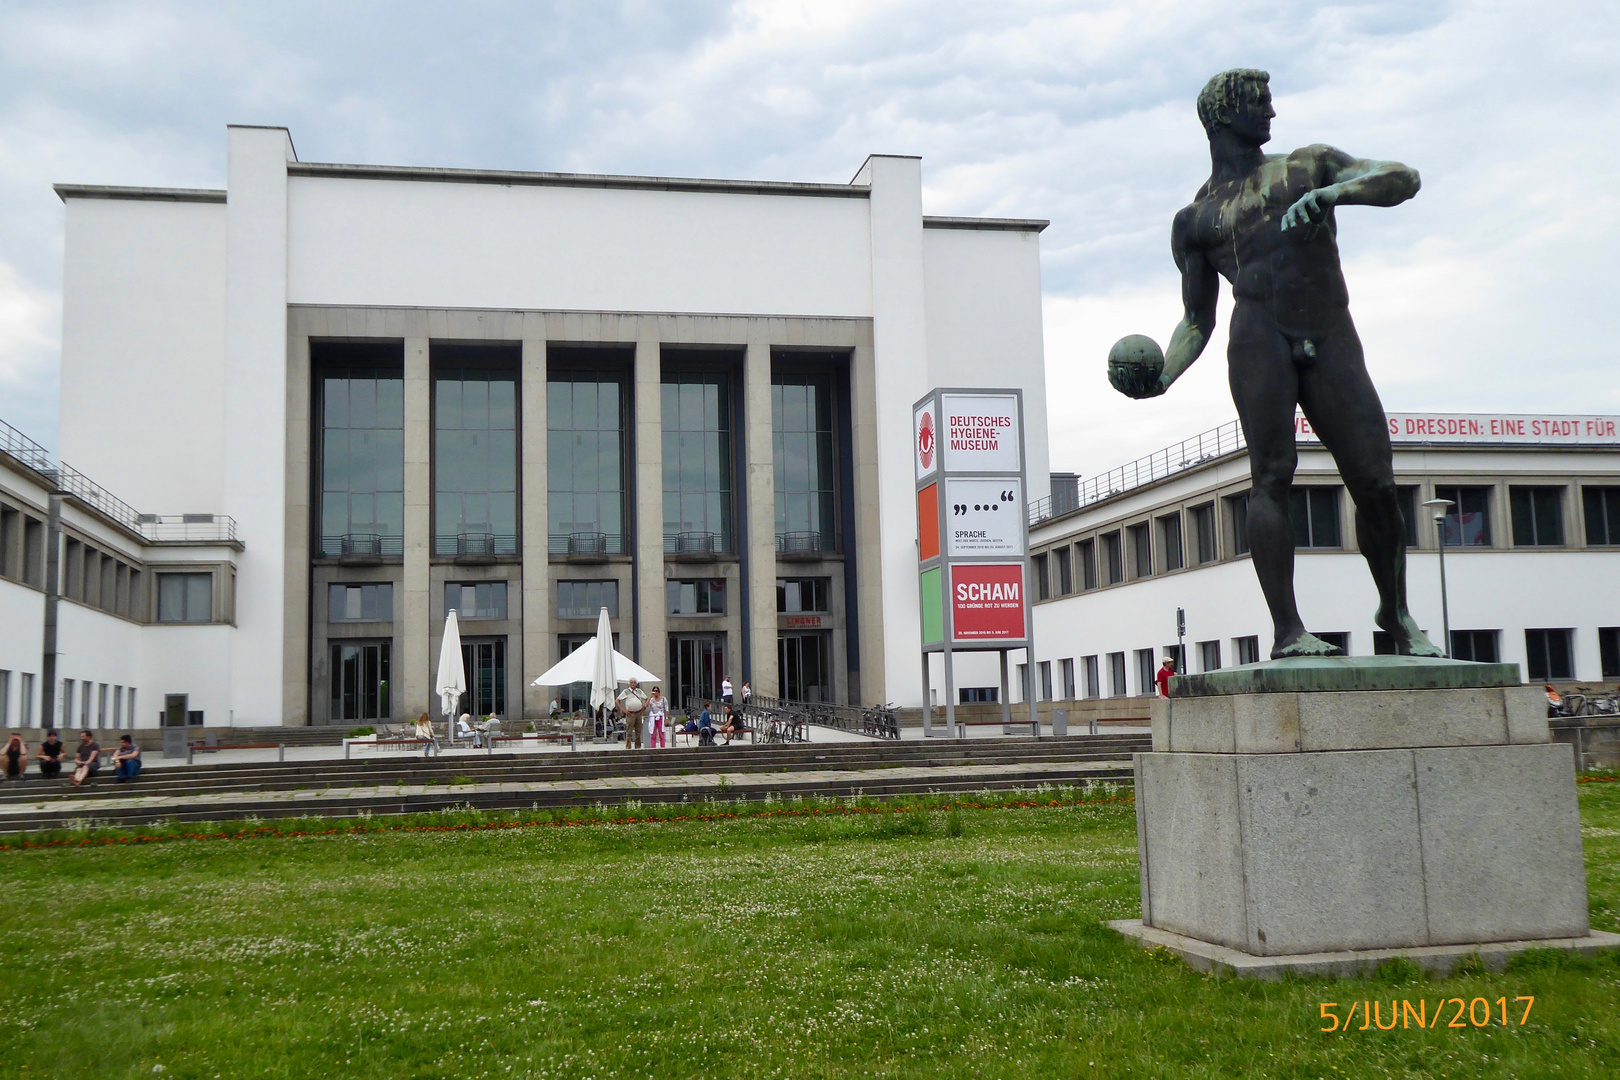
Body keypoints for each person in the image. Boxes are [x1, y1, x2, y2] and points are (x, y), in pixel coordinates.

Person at [1123, 68, 1441, 661]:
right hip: (1257, 337)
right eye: (1258, 104)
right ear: (1223, 117)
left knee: (1375, 481)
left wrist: (1336, 193)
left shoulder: (1306, 167)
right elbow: (1197, 319)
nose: (1271, 113)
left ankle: (1394, 612)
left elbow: (1404, 178)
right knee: (1271, 476)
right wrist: (1164, 373)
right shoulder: (1196, 220)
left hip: (1328, 331)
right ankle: (1289, 629)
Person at [617, 678, 648, 750]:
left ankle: (638, 746)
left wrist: (643, 708)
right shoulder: (626, 691)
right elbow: (617, 700)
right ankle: (628, 746)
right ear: (629, 683)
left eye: (634, 682)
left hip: (638, 713)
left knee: (638, 731)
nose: (633, 684)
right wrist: (623, 710)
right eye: (631, 682)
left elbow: (646, 698)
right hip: (630, 713)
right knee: (629, 731)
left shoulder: (639, 691)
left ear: (636, 683)